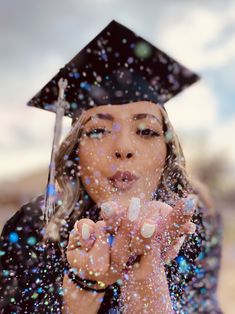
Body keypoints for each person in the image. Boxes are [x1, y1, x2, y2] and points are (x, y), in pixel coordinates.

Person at [0, 20, 223, 313]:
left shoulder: (196, 226)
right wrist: (83, 289)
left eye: (146, 131)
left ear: (167, 152)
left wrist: (147, 282)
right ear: (74, 152)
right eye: (97, 130)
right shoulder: (32, 231)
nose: (124, 148)